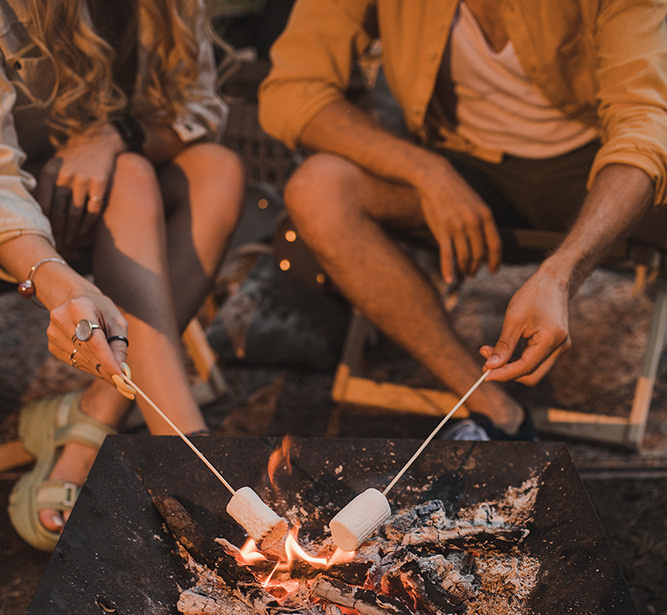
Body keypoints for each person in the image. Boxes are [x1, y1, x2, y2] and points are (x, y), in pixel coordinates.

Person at [258, 0, 667, 439]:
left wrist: (560, 275)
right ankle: (492, 408)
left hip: (593, 165)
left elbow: (644, 123)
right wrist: (425, 170)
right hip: (462, 164)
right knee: (317, 188)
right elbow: (291, 90)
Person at [1, 0, 244, 550]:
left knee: (215, 171)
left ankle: (96, 417)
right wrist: (56, 278)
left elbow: (200, 111)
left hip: (113, 195)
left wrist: (113, 137)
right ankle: (186, 453)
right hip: (19, 214)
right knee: (132, 175)